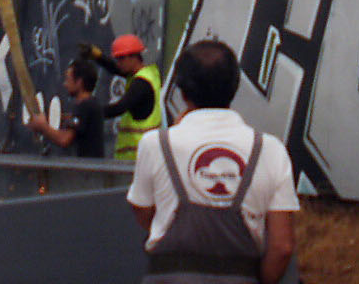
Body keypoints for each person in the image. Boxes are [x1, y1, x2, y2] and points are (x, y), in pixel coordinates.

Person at [126, 39, 298, 284]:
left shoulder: (156, 144)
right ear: (235, 87)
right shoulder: (270, 150)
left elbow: (142, 210)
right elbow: (282, 247)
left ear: (182, 91)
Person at [83, 33, 163, 161]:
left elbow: (119, 108)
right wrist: (98, 56)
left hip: (136, 159)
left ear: (134, 57)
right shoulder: (149, 74)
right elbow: (115, 68)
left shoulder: (141, 84)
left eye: (121, 58)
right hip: (143, 157)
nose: (118, 63)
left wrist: (90, 112)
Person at [27, 56, 105, 158]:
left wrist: (42, 127)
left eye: (68, 80)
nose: (65, 84)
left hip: (88, 167)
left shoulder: (85, 106)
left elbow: (64, 139)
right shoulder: (91, 105)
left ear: (79, 82)